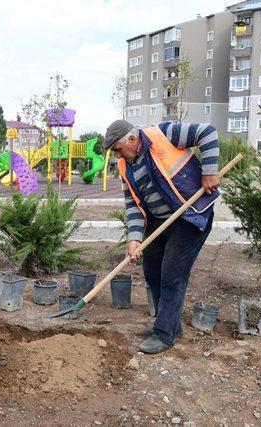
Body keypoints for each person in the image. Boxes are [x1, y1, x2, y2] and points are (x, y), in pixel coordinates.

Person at [103, 119, 220, 354]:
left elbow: (208, 132)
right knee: (152, 271)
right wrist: (134, 238)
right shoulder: (126, 167)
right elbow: (133, 205)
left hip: (189, 216)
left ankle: (164, 335)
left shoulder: (164, 134)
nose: (117, 156)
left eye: (118, 149)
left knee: (171, 274)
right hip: (160, 221)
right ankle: (169, 323)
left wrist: (209, 171)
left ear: (133, 140)